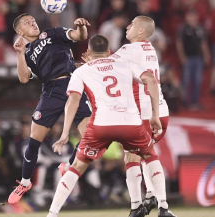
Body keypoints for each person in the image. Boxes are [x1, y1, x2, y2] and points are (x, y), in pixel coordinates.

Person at [46, 35, 173, 217]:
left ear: (88, 52)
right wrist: (154, 115)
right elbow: (151, 81)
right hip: (130, 123)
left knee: (76, 167)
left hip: (101, 124)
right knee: (149, 156)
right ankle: (163, 207)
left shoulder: (81, 71)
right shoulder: (124, 64)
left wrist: (65, 132)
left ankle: (52, 214)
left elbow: (72, 100)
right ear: (109, 52)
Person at [7, 14, 92, 204]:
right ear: (20, 31)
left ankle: (68, 165)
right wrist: (20, 53)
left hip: (73, 84)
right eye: (27, 23)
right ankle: (25, 182)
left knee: (89, 137)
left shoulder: (53, 33)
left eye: (33, 20)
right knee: (34, 140)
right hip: (51, 90)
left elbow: (79, 36)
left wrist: (81, 27)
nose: (33, 23)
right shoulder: (28, 52)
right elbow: (23, 78)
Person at [111, 16, 175, 217]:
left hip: (145, 115)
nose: (127, 26)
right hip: (160, 112)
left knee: (132, 156)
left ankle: (139, 206)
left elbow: (103, 64)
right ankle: (153, 198)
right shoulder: (150, 49)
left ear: (141, 31)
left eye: (132, 24)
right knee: (146, 154)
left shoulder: (129, 50)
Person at [177, 10, 210, 110]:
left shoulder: (200, 28)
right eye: (190, 17)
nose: (192, 19)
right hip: (188, 58)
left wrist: (206, 55)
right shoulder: (183, 28)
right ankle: (185, 102)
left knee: (197, 80)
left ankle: (195, 101)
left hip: (198, 58)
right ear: (187, 18)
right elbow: (179, 43)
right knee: (186, 81)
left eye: (194, 17)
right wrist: (182, 57)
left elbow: (203, 43)